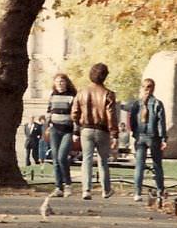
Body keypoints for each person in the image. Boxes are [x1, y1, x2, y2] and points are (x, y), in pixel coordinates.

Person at [70, 62, 119, 200]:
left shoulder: (81, 93)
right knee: (103, 161)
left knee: (87, 159)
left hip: (86, 129)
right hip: (102, 130)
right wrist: (114, 134)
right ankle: (106, 190)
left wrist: (77, 128)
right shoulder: (108, 94)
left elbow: (74, 113)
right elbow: (111, 116)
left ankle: (86, 190)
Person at [129, 78, 167, 202]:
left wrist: (135, 133)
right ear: (153, 88)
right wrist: (163, 138)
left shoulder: (136, 104)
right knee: (157, 164)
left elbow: (132, 122)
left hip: (140, 137)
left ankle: (137, 192)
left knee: (139, 165)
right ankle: (160, 190)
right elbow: (161, 123)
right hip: (153, 137)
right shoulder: (157, 104)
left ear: (142, 88)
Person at [46, 73, 77, 197]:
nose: (59, 84)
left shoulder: (72, 96)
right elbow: (49, 110)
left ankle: (68, 184)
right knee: (55, 159)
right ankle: (58, 187)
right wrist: (48, 125)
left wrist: (76, 132)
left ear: (66, 83)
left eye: (62, 81)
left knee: (62, 157)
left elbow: (76, 115)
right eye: (57, 82)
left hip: (67, 130)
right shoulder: (52, 96)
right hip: (54, 129)